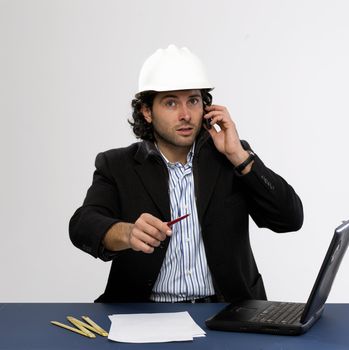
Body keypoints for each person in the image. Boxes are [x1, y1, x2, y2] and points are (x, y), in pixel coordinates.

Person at [69, 44, 304, 303]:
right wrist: (127, 233)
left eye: (193, 101)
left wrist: (239, 156)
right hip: (144, 312)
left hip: (226, 310)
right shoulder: (117, 164)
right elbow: (82, 225)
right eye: (171, 103)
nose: (185, 115)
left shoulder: (231, 158)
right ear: (147, 112)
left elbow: (290, 218)